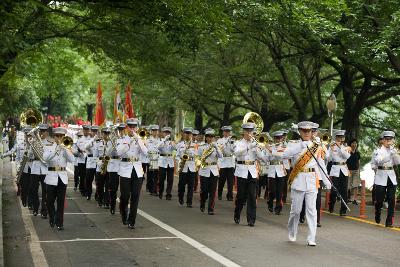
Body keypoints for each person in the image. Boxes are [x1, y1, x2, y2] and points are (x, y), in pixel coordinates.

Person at [281, 121, 331, 246]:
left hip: (312, 180)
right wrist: (301, 146)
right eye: (304, 131)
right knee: (296, 211)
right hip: (298, 179)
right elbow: (284, 154)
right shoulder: (294, 144)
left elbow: (321, 164)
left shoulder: (316, 145)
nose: (307, 133)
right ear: (300, 132)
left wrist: (326, 179)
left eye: (309, 131)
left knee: (311, 210)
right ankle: (292, 231)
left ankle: (311, 237)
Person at [233, 123, 268, 227]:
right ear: (243, 131)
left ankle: (251, 219)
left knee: (252, 196)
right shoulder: (238, 143)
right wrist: (249, 147)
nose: (249, 133)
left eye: (251, 131)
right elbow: (237, 153)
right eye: (247, 131)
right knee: (241, 196)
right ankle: (237, 212)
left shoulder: (255, 144)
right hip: (241, 171)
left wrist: (263, 149)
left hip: (252, 172)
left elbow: (263, 159)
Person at [116, 118, 148, 229]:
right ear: (127, 127)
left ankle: (132, 220)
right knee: (125, 196)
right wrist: (129, 142)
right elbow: (119, 152)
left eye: (134, 127)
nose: (132, 129)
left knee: (135, 196)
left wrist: (138, 139)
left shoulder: (140, 139)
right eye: (130, 126)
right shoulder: (121, 139)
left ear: (137, 128)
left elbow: (145, 152)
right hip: (125, 170)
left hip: (137, 170)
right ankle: (123, 212)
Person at [43, 127, 75, 230]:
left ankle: (59, 223)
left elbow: (72, 159)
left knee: (61, 202)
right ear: (54, 137)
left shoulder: (66, 147)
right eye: (57, 136)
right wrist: (56, 149)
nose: (59, 138)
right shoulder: (48, 146)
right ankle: (52, 217)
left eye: (61, 136)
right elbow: (45, 158)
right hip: (51, 176)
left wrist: (65, 149)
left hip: (62, 176)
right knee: (49, 201)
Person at [373, 131, 400, 227]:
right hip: (381, 176)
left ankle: (389, 221)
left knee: (391, 199)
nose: (389, 141)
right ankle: (378, 211)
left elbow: (397, 162)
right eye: (387, 139)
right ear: (383, 140)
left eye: (390, 139)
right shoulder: (378, 150)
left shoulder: (394, 150)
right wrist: (390, 155)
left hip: (391, 176)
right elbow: (379, 162)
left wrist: (395, 153)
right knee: (379, 199)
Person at [197, 129, 223, 214]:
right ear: (206, 137)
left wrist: (216, 147)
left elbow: (221, 156)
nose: (210, 138)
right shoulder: (201, 146)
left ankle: (211, 209)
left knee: (212, 191)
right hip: (204, 170)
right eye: (209, 136)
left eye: (212, 136)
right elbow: (198, 158)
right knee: (204, 190)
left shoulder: (216, 146)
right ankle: (202, 202)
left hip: (214, 170)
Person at [29, 124, 52, 218]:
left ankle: (44, 210)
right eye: (40, 131)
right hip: (35, 168)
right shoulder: (34, 142)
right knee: (33, 190)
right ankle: (35, 207)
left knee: (45, 191)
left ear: (47, 132)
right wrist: (31, 149)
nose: (42, 133)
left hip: (45, 169)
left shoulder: (50, 143)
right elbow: (30, 156)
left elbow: (50, 157)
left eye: (43, 131)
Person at [327, 130, 351, 216]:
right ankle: (331, 205)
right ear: (336, 138)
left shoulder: (346, 147)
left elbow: (346, 156)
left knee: (344, 190)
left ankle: (343, 210)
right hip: (335, 170)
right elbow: (328, 158)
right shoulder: (332, 147)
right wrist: (330, 149)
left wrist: (341, 148)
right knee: (334, 190)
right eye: (339, 137)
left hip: (344, 170)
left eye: (342, 137)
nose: (341, 139)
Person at [106, 123, 125, 215]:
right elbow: (107, 153)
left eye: (122, 130)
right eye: (119, 130)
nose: (120, 132)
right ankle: (112, 205)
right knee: (113, 189)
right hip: (113, 166)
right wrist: (113, 145)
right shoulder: (111, 140)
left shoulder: (125, 140)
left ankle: (122, 208)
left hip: (123, 165)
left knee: (124, 190)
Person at [266, 131, 287, 215]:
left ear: (282, 138)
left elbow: (282, 155)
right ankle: (270, 201)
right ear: (274, 138)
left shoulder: (284, 146)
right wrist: (264, 150)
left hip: (281, 170)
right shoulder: (271, 146)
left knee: (279, 191)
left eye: (280, 138)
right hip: (272, 170)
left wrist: (272, 151)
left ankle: (278, 208)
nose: (278, 139)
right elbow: (267, 159)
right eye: (276, 138)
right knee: (273, 190)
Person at [176, 127, 197, 207]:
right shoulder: (180, 144)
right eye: (186, 133)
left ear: (191, 135)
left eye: (189, 133)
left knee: (191, 185)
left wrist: (191, 154)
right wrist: (180, 161)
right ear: (183, 134)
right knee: (181, 185)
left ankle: (189, 202)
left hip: (191, 166)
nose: (188, 135)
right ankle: (181, 197)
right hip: (183, 166)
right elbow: (177, 156)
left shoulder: (195, 145)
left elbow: (197, 155)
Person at [216, 126, 236, 201]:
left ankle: (230, 196)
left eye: (228, 131)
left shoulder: (233, 140)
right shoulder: (220, 140)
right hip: (223, 162)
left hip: (230, 162)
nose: (227, 133)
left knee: (230, 181)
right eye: (225, 131)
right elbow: (219, 150)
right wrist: (224, 146)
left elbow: (234, 150)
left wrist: (231, 143)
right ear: (223, 132)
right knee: (221, 180)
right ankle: (220, 193)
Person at [157, 127, 176, 200]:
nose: (167, 134)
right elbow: (158, 147)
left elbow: (175, 148)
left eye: (168, 133)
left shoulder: (172, 141)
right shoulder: (160, 141)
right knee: (161, 179)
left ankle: (168, 193)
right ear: (163, 133)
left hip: (170, 162)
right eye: (165, 132)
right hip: (162, 162)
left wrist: (171, 143)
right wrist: (164, 140)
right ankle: (161, 192)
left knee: (170, 179)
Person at [84, 125, 100, 200]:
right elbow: (86, 147)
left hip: (97, 162)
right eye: (93, 131)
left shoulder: (100, 141)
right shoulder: (89, 140)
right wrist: (93, 139)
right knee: (88, 180)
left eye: (96, 131)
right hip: (90, 162)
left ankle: (97, 194)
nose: (94, 133)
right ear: (91, 132)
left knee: (98, 181)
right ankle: (88, 193)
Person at [146, 125, 161, 196]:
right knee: (153, 175)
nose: (155, 132)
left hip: (159, 158)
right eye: (154, 131)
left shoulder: (160, 140)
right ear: (151, 132)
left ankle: (154, 189)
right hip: (153, 158)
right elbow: (149, 150)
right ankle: (153, 190)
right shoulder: (149, 140)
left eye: (156, 131)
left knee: (157, 175)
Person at [347, 139, 361, 204]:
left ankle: (355, 199)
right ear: (350, 144)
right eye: (353, 143)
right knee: (348, 185)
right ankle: (348, 198)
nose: (354, 144)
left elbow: (359, 162)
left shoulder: (358, 153)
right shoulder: (347, 152)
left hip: (356, 171)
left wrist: (359, 170)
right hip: (348, 170)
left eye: (355, 143)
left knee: (355, 185)